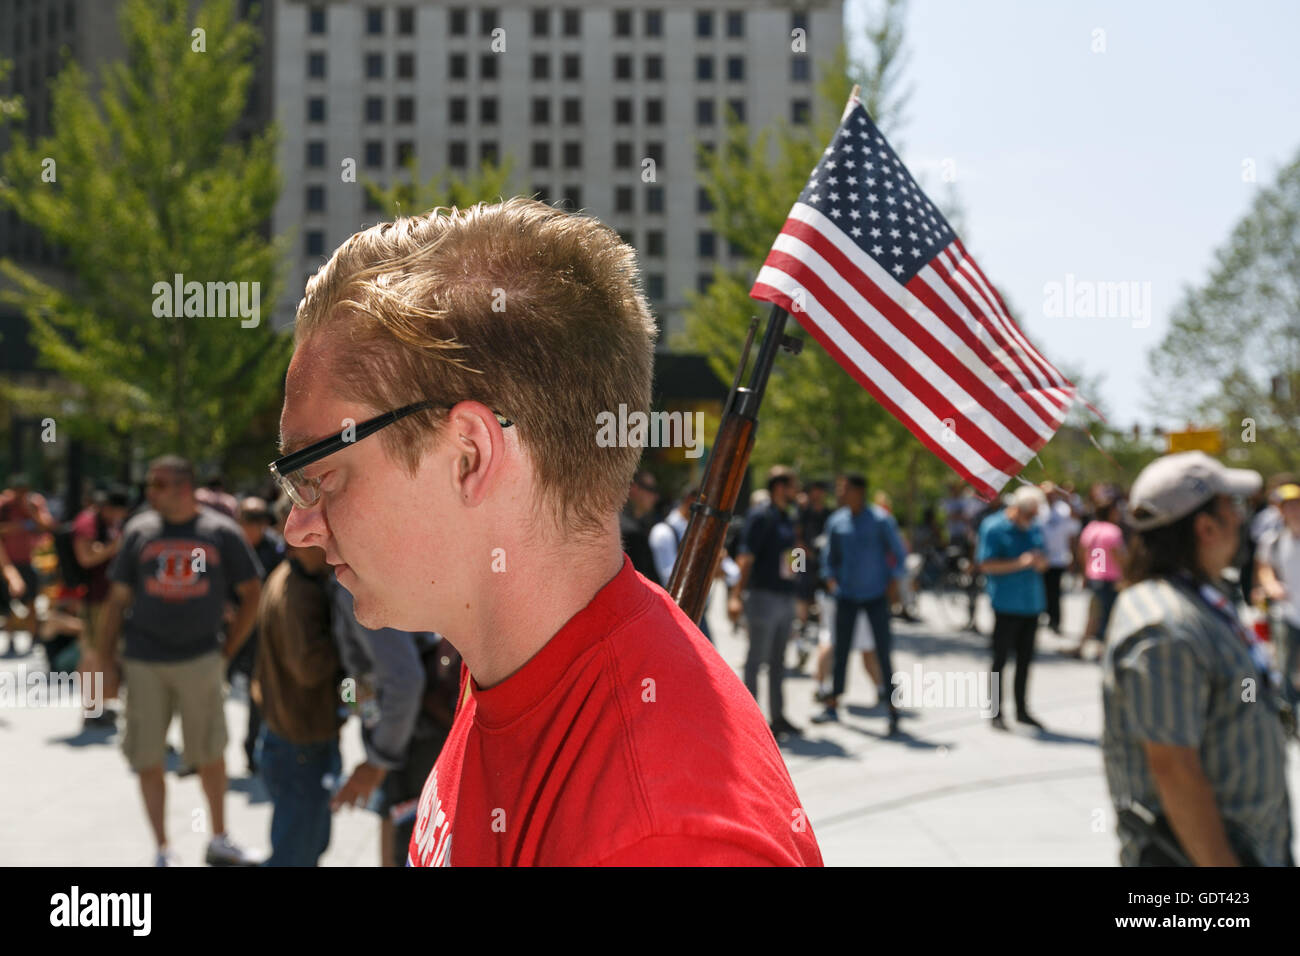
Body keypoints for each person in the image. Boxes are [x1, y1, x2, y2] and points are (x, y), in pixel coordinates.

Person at [274, 198, 821, 865]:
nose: (297, 525)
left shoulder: (663, 840)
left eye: (319, 475)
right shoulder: (512, 668)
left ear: (469, 456)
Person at [1103, 451, 1293, 866]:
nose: (1241, 519)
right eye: (1233, 507)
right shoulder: (1163, 627)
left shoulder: (1200, 598)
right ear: (1205, 527)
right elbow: (1174, 768)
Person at [89, 455, 263, 866]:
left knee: (210, 753)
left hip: (201, 658)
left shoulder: (221, 532)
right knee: (147, 756)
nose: (149, 492)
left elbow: (252, 591)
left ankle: (219, 838)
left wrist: (227, 649)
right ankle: (163, 848)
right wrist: (103, 660)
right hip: (144, 660)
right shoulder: (139, 531)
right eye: (150, 484)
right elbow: (117, 602)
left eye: (158, 484)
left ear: (184, 488)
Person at [329, 582, 434, 867]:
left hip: (412, 737)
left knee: (410, 843)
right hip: (397, 732)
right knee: (395, 822)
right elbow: (357, 675)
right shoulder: (350, 581)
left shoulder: (360, 584)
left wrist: (378, 760)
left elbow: (405, 680)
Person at [253, 532, 341, 866]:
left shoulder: (293, 577)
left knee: (306, 846)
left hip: (293, 737)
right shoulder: (299, 594)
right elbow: (309, 668)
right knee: (296, 854)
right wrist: (350, 645)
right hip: (300, 742)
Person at [813, 474, 907, 734]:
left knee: (883, 651)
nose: (840, 493)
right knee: (841, 652)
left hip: (876, 596)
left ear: (859, 491)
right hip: (846, 597)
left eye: (845, 488)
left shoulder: (880, 520)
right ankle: (832, 703)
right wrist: (831, 581)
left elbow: (898, 556)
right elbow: (828, 558)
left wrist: (893, 585)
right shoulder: (837, 521)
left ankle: (892, 708)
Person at [730, 466, 804, 739]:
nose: (797, 490)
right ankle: (751, 723)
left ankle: (778, 717)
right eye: (792, 485)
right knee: (756, 660)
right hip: (762, 597)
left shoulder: (789, 516)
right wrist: (736, 595)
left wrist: (798, 577)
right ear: (779, 487)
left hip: (784, 597)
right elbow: (746, 557)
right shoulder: (760, 516)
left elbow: (793, 553)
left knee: (778, 661)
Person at [976, 485, 1048, 731]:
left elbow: (1044, 559)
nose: (1033, 518)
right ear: (1018, 508)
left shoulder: (1035, 526)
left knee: (1025, 660)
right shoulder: (994, 527)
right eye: (1030, 513)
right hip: (1006, 603)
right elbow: (986, 564)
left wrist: (1040, 563)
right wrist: (1019, 563)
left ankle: (1022, 709)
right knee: (1000, 659)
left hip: (1032, 603)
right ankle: (996, 711)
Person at [231, 496, 285, 773]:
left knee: (257, 694)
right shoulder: (227, 546)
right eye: (246, 519)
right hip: (228, 632)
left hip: (262, 633)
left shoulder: (277, 550)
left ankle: (252, 750)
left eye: (257, 520)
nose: (251, 526)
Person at [71, 488, 130, 728]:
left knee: (106, 654)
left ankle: (100, 705)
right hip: (95, 599)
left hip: (109, 598)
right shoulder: (87, 522)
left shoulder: (107, 523)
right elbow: (85, 557)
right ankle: (91, 708)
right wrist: (114, 547)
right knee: (94, 654)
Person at [0, 473, 57, 654]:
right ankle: (9, 640)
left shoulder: (35, 503)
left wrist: (30, 511)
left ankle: (33, 639)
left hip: (31, 560)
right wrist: (16, 527)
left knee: (32, 601)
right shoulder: (4, 505)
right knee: (8, 603)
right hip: (7, 562)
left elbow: (47, 525)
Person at [1255, 482, 1300, 707]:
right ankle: (1288, 711)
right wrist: (1271, 584)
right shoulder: (1272, 540)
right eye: (1288, 505)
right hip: (1288, 612)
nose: (1294, 510)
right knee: (1285, 665)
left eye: (1297, 504)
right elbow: (1264, 567)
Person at [1069, 497, 1126, 659]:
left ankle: (1082, 645)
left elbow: (1083, 552)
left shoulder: (1091, 528)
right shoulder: (1113, 531)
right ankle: (1103, 649)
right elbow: (1118, 554)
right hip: (1110, 578)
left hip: (1095, 575)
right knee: (1108, 614)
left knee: (1093, 613)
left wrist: (1086, 571)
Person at [1037, 482, 1080, 635]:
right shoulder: (1039, 509)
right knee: (1040, 590)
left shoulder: (1064, 510)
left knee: (1055, 592)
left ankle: (1055, 621)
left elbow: (1073, 533)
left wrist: (1073, 556)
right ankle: (1040, 617)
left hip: (1058, 558)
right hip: (1040, 558)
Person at [620, 470, 660, 581]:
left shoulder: (635, 525)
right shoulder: (631, 532)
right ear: (634, 488)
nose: (655, 497)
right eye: (651, 490)